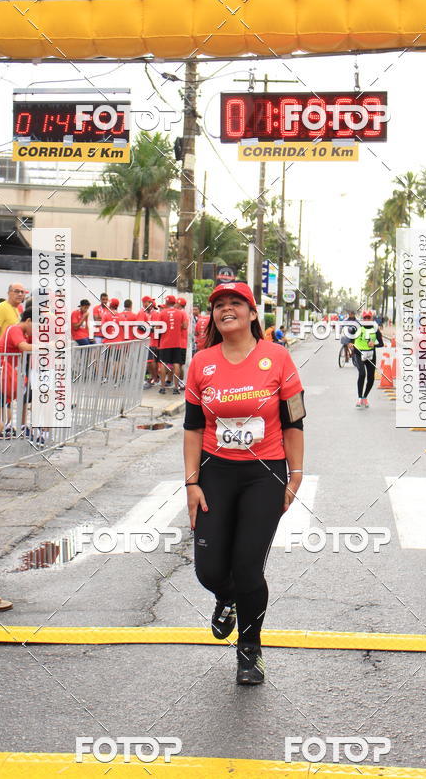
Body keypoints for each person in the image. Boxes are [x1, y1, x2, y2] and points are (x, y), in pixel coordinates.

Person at [183, 281, 305, 686]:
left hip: (264, 474)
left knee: (249, 569)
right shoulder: (202, 363)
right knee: (210, 570)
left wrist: (296, 475)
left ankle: (249, 651)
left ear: (253, 314)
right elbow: (192, 427)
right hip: (216, 471)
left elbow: (293, 422)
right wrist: (192, 482)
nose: (226, 309)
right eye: (219, 305)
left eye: (236, 303)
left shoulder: (279, 358)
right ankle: (225, 597)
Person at [0, 307, 33, 445]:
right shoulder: (15, 329)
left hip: (0, 377)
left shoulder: (23, 333)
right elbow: (23, 347)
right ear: (28, 320)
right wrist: (47, 345)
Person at [350, 311, 384, 407]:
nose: (366, 320)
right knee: (362, 374)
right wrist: (350, 343)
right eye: (365, 318)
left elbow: (381, 343)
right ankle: (359, 398)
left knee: (371, 378)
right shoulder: (357, 327)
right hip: (358, 353)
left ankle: (365, 397)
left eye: (368, 318)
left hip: (370, 355)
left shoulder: (375, 329)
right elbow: (349, 336)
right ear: (362, 318)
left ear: (371, 319)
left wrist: (374, 344)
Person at [158, 294, 187, 395]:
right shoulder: (181, 313)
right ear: (174, 303)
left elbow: (158, 328)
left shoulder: (162, 313)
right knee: (176, 364)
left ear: (166, 303)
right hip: (177, 343)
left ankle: (162, 388)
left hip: (164, 343)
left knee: (163, 363)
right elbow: (185, 326)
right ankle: (175, 388)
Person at [176, 297, 189, 383]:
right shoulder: (183, 313)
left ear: (179, 304)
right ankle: (180, 382)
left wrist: (175, 327)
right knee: (179, 364)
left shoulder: (182, 313)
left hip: (180, 342)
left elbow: (185, 326)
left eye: (176, 303)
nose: (174, 305)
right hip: (180, 342)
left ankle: (181, 381)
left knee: (179, 364)